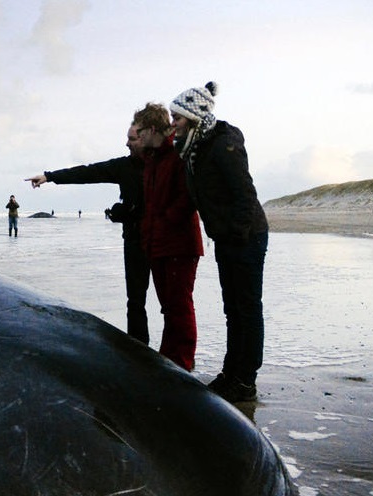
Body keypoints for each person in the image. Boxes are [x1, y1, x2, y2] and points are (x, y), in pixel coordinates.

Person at [170, 81, 268, 402]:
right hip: (227, 237)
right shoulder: (194, 147)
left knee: (247, 308)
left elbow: (245, 195)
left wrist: (236, 237)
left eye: (178, 119)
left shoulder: (223, 144)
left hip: (246, 237)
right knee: (232, 309)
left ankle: (245, 381)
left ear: (195, 118)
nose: (174, 125)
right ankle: (231, 373)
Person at [25, 124, 150, 344]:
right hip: (134, 239)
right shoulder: (124, 166)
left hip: (163, 241)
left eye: (132, 139)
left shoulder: (166, 163)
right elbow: (88, 172)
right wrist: (50, 176)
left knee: (172, 304)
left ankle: (176, 364)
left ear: (148, 137)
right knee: (135, 301)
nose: (127, 143)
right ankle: (139, 353)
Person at [133, 103, 202, 371]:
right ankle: (170, 359)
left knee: (180, 306)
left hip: (179, 243)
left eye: (140, 131)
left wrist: (166, 221)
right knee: (169, 307)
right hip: (158, 243)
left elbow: (187, 197)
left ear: (151, 129)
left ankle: (182, 363)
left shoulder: (178, 153)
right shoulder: (152, 159)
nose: (137, 137)